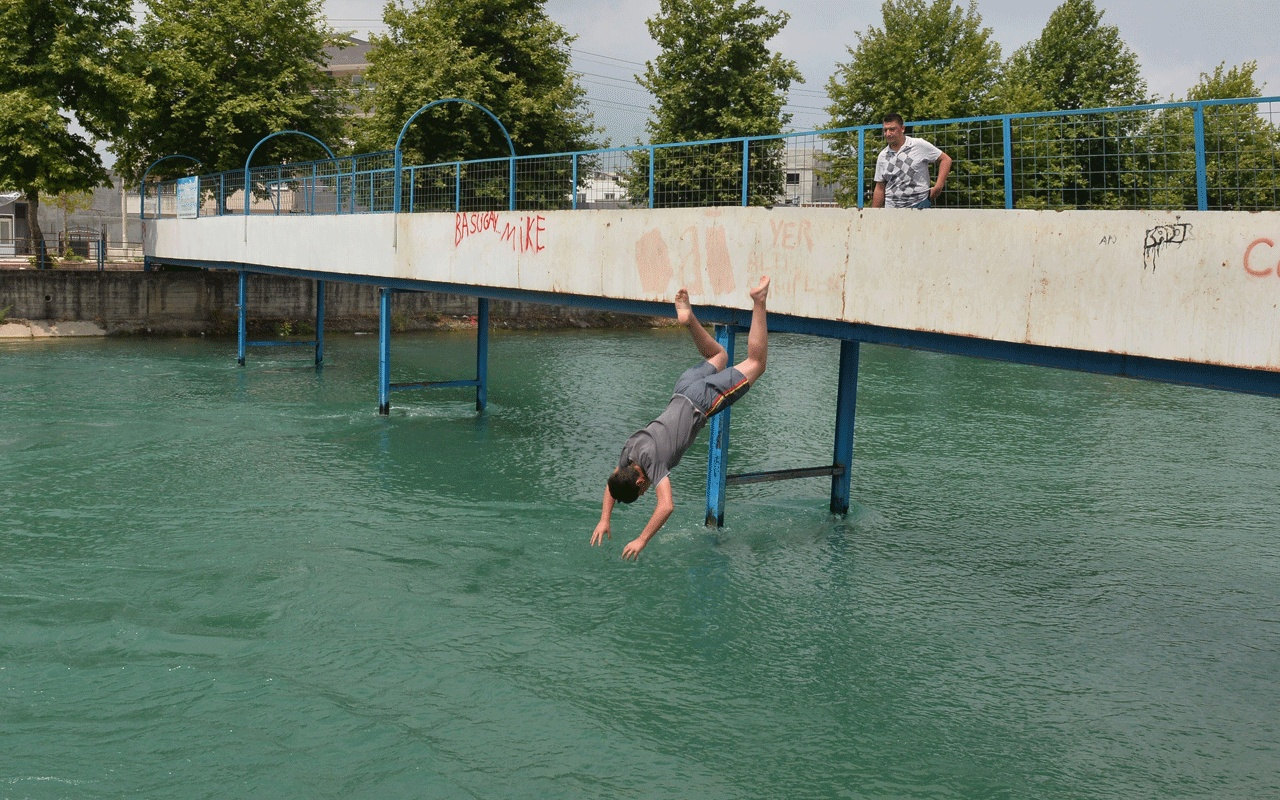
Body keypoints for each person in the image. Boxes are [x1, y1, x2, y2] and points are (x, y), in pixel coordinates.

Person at [591, 276, 771, 560]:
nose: (647, 489)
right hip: (683, 388)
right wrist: (604, 519)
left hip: (702, 400)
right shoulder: (630, 449)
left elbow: (666, 506)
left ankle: (759, 301)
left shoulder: (653, 463)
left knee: (756, 364)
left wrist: (642, 539)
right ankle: (688, 319)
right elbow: (612, 483)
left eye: (643, 492)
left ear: (640, 483)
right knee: (720, 355)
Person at [871, 113, 952, 209]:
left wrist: (938, 186)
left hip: (919, 206)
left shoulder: (918, 145)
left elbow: (946, 159)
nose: (888, 133)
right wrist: (873, 215)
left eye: (892, 129)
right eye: (885, 130)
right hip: (892, 209)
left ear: (902, 128)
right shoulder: (883, 156)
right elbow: (880, 187)